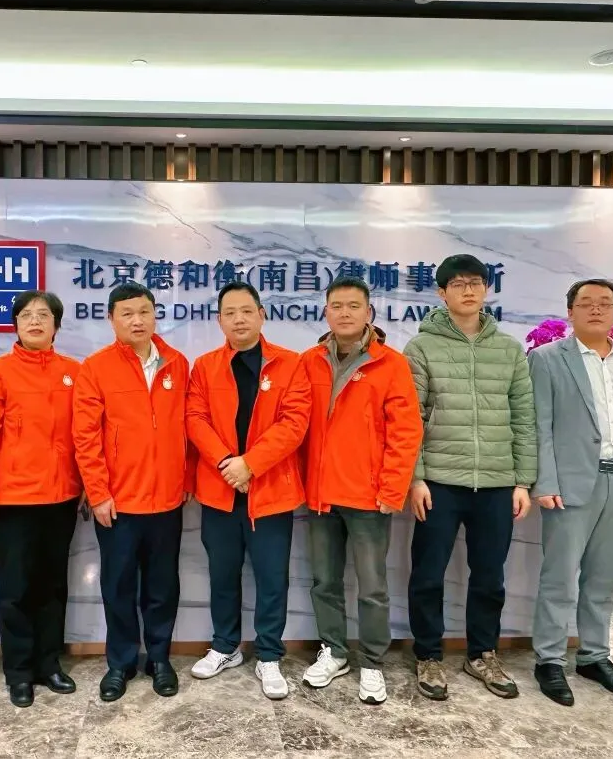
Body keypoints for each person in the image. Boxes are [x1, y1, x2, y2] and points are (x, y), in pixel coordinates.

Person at [403, 254, 536, 701]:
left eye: (476, 282)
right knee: (428, 574)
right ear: (441, 293)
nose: (468, 290)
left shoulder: (509, 349)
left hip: (497, 482)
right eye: (457, 284)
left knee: (490, 577)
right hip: (439, 481)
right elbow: (410, 419)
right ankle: (428, 655)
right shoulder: (421, 348)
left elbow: (524, 418)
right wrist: (416, 478)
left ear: (487, 289)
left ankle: (482, 654)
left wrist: (522, 481)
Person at [528, 279, 613, 706]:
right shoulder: (547, 359)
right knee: (559, 578)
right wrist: (545, 481)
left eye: (605, 303)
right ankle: (549, 659)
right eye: (586, 303)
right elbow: (539, 426)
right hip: (569, 487)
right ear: (570, 312)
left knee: (604, 579)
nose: (596, 309)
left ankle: (594, 656)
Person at [299, 276, 423, 705]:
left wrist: (392, 489)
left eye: (354, 306)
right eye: (336, 306)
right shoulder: (309, 361)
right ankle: (334, 652)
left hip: (369, 497)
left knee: (372, 587)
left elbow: (405, 433)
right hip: (320, 495)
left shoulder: (390, 364)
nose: (345, 313)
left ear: (369, 313)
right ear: (326, 312)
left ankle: (372, 661)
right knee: (324, 582)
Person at [186, 282, 311, 700]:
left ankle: (269, 654)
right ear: (219, 320)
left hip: (270, 490)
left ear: (261, 315)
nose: (238, 319)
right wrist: (228, 462)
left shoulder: (290, 364)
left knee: (272, 578)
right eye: (229, 313)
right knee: (222, 575)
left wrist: (251, 464)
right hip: (220, 488)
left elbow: (294, 423)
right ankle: (225, 646)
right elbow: (195, 418)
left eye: (246, 311)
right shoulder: (205, 366)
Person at [72, 282, 191, 702]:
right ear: (112, 319)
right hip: (118, 502)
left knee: (163, 586)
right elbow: (85, 437)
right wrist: (98, 492)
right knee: (119, 586)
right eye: (127, 313)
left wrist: (186, 480)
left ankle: (159, 659)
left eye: (144, 312)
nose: (137, 320)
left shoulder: (177, 363)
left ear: (155, 314)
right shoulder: (96, 367)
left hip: (167, 499)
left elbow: (187, 427)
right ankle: (120, 663)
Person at [0, 290, 81, 709]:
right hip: (13, 500)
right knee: (16, 589)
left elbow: (85, 436)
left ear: (56, 325)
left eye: (44, 315)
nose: (35, 321)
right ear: (15, 324)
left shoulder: (73, 372)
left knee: (53, 586)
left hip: (61, 497)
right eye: (27, 315)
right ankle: (18, 672)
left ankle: (49, 664)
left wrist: (87, 487)